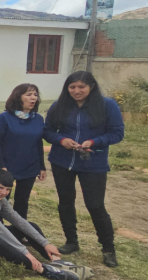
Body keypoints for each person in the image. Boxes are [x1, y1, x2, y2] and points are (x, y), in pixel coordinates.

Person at [43, 71, 124, 267]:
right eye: (72, 87)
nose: (77, 91)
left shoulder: (107, 105)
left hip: (93, 163)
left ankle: (108, 248)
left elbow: (117, 133)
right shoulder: (59, 105)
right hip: (62, 161)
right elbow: (47, 131)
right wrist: (61, 140)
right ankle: (71, 241)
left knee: (95, 205)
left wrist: (94, 142)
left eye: (81, 87)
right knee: (65, 201)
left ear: (91, 87)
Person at [0, 170, 79, 280]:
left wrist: (45, 243)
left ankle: (55, 260)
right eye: (0, 188)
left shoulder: (0, 197)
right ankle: (43, 270)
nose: (4, 192)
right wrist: (26, 254)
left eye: (8, 190)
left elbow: (17, 220)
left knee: (31, 226)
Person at [0, 83, 46, 219]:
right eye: (28, 94)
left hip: (29, 166)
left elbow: (38, 143)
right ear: (18, 97)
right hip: (7, 166)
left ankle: (19, 233)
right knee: (0, 201)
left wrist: (42, 166)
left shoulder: (38, 119)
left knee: (22, 201)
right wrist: (0, 165)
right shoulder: (4, 118)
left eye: (35, 94)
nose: (33, 98)